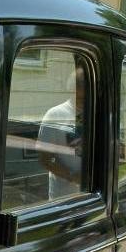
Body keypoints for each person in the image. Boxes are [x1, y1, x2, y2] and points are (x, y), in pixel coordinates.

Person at [37, 64, 86, 201]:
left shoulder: (96, 114)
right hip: (63, 200)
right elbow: (45, 158)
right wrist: (72, 176)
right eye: (81, 96)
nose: (86, 99)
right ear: (72, 90)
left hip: (93, 197)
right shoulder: (55, 115)